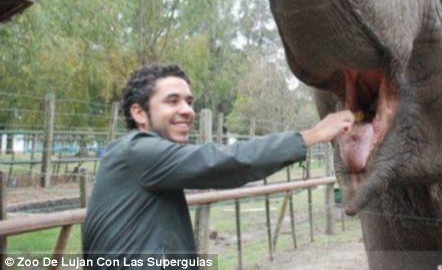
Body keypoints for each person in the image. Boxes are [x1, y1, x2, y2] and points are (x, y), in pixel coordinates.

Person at [82, 63, 353, 269]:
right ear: (139, 113)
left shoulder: (145, 161)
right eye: (172, 100)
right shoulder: (137, 151)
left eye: (189, 102)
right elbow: (223, 162)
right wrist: (311, 136)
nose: (187, 110)